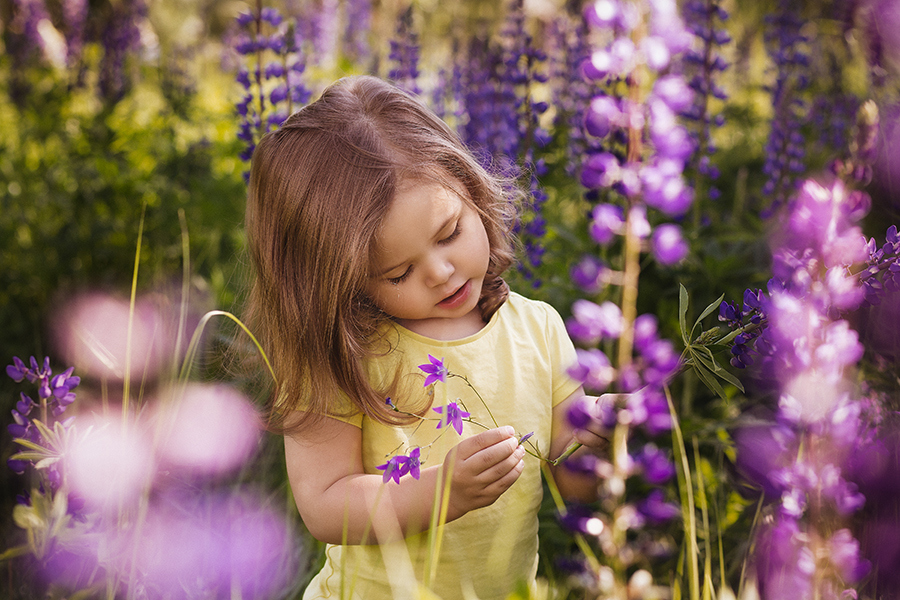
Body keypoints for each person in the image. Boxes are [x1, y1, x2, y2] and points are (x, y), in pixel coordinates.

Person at [244, 75, 607, 600]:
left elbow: (569, 480)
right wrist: (441, 492)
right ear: (344, 282)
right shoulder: (346, 354)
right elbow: (324, 503)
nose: (440, 271)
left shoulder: (540, 329)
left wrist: (595, 442)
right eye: (397, 273)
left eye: (450, 232)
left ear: (472, 192)